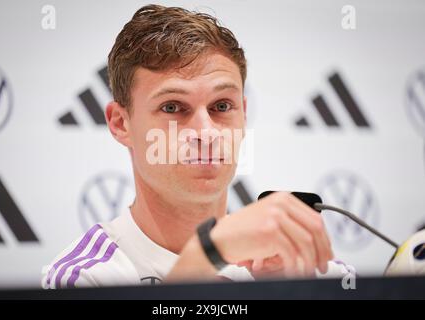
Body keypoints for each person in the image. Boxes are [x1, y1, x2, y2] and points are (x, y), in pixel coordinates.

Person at [42, 4, 350, 289]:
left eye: (221, 105)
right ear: (120, 124)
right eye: (173, 107)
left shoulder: (314, 274)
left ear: (243, 114)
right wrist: (206, 255)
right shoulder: (83, 278)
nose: (206, 132)